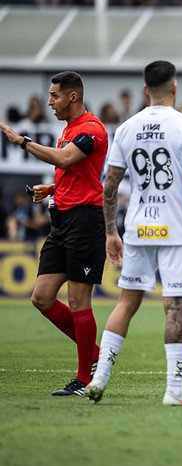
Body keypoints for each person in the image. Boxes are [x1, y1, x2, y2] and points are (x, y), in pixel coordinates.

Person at [85, 60, 182, 406]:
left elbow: (109, 185)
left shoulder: (127, 128)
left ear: (146, 90)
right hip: (176, 231)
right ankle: (174, 389)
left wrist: (111, 231)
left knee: (126, 302)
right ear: (174, 88)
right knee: (175, 308)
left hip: (138, 228)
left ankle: (99, 379)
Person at [0, 71, 108, 396]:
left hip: (86, 222)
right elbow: (74, 171)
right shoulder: (69, 130)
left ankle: (85, 379)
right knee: (42, 298)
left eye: (54, 96)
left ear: (72, 97)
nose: (49, 102)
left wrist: (22, 141)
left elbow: (64, 158)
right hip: (61, 221)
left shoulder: (91, 130)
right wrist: (52, 187)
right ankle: (97, 356)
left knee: (78, 301)